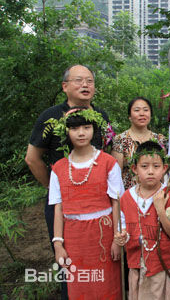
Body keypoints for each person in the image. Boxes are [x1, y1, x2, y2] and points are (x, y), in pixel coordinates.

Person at [25, 64, 111, 299]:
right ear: (65, 87)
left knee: (101, 256)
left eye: (90, 81)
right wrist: (55, 190)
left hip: (99, 204)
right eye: (79, 80)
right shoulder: (50, 116)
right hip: (63, 205)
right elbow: (32, 159)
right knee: (68, 260)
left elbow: (108, 155)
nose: (85, 85)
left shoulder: (101, 116)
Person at [47, 108, 122, 299]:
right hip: (74, 238)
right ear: (67, 132)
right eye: (75, 128)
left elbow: (117, 203)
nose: (81, 133)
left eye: (86, 127)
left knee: (107, 286)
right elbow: (58, 207)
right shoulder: (59, 168)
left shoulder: (108, 163)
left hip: (103, 237)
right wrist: (58, 244)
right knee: (79, 286)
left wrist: (116, 239)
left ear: (94, 130)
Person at [114, 141, 170, 299]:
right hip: (138, 267)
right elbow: (124, 229)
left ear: (164, 169)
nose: (150, 172)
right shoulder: (127, 198)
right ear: (134, 169)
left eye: (156, 166)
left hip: (165, 268)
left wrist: (161, 210)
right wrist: (122, 238)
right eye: (144, 166)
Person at [111, 97, 167, 190]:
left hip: (156, 195)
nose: (142, 114)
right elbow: (116, 175)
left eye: (146, 110)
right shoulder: (120, 140)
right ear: (129, 116)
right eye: (137, 110)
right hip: (129, 195)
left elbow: (163, 172)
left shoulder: (160, 140)